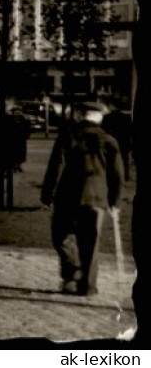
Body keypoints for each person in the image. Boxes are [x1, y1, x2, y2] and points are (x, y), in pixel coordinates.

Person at [40, 102, 123, 297]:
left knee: (61, 235)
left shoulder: (68, 137)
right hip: (97, 199)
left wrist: (47, 193)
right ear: (99, 118)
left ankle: (72, 270)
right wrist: (115, 202)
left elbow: (56, 167)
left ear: (79, 116)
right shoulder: (109, 140)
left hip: (67, 197)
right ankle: (88, 286)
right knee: (91, 242)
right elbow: (117, 175)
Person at [100, 98, 133, 183]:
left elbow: (104, 130)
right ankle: (125, 175)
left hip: (113, 141)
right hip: (124, 142)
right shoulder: (126, 118)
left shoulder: (107, 118)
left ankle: (112, 177)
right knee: (125, 160)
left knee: (113, 160)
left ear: (110, 106)